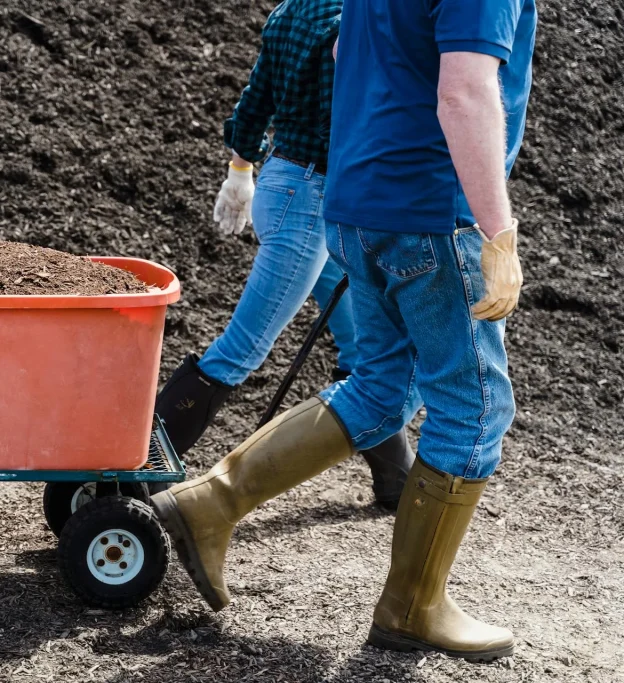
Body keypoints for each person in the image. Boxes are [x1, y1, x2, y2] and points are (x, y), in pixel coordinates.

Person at [151, 0, 536, 663]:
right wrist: (498, 233)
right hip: (432, 213)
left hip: (357, 202)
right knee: (474, 409)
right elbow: (465, 90)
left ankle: (212, 501)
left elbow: (343, 57)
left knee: (383, 386)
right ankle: (413, 608)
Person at [154, 0, 413, 510]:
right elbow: (356, 118)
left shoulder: (290, 10)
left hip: (282, 184)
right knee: (244, 347)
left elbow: (255, 100)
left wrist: (240, 171)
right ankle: (136, 468)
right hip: (314, 199)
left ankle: (396, 478)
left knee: (361, 344)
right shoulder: (356, 22)